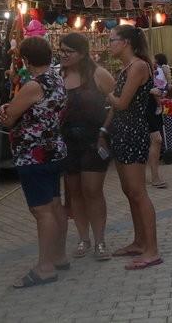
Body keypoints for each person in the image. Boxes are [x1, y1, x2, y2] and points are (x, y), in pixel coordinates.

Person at [0, 36, 68, 288]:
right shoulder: (57, 80)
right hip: (53, 149)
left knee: (41, 211)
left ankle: (45, 267)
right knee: (53, 204)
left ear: (26, 60)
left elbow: (9, 117)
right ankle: (58, 255)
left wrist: (4, 109)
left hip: (33, 153)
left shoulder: (33, 85)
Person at [105, 25, 162, 270]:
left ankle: (152, 249)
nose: (109, 45)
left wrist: (105, 88)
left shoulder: (138, 66)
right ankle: (140, 241)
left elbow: (121, 103)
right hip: (121, 132)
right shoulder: (127, 68)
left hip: (132, 132)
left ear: (126, 42)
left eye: (112, 40)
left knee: (138, 192)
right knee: (129, 191)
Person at [58, 32, 115, 261]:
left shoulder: (98, 74)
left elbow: (116, 104)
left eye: (68, 51)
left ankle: (100, 240)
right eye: (60, 51)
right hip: (67, 142)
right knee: (75, 193)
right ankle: (83, 238)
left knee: (92, 191)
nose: (63, 55)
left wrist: (104, 131)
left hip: (94, 140)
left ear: (81, 53)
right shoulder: (58, 76)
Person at [146, 53, 169, 189]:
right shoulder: (140, 65)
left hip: (152, 107)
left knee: (156, 140)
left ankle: (155, 176)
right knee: (156, 139)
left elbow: (166, 87)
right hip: (148, 108)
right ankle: (154, 177)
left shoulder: (152, 68)